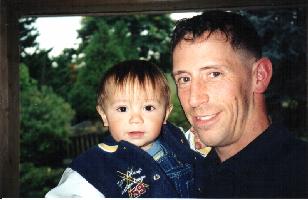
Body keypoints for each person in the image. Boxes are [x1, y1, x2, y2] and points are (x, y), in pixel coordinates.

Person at [171, 10, 308, 198]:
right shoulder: (188, 179)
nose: (194, 99)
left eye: (214, 74)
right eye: (184, 79)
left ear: (259, 75)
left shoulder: (299, 178)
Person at [45, 59, 205, 198]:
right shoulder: (93, 167)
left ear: (165, 114)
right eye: (122, 109)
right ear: (104, 116)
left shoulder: (176, 138)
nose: (136, 119)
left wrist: (200, 141)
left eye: (148, 108)